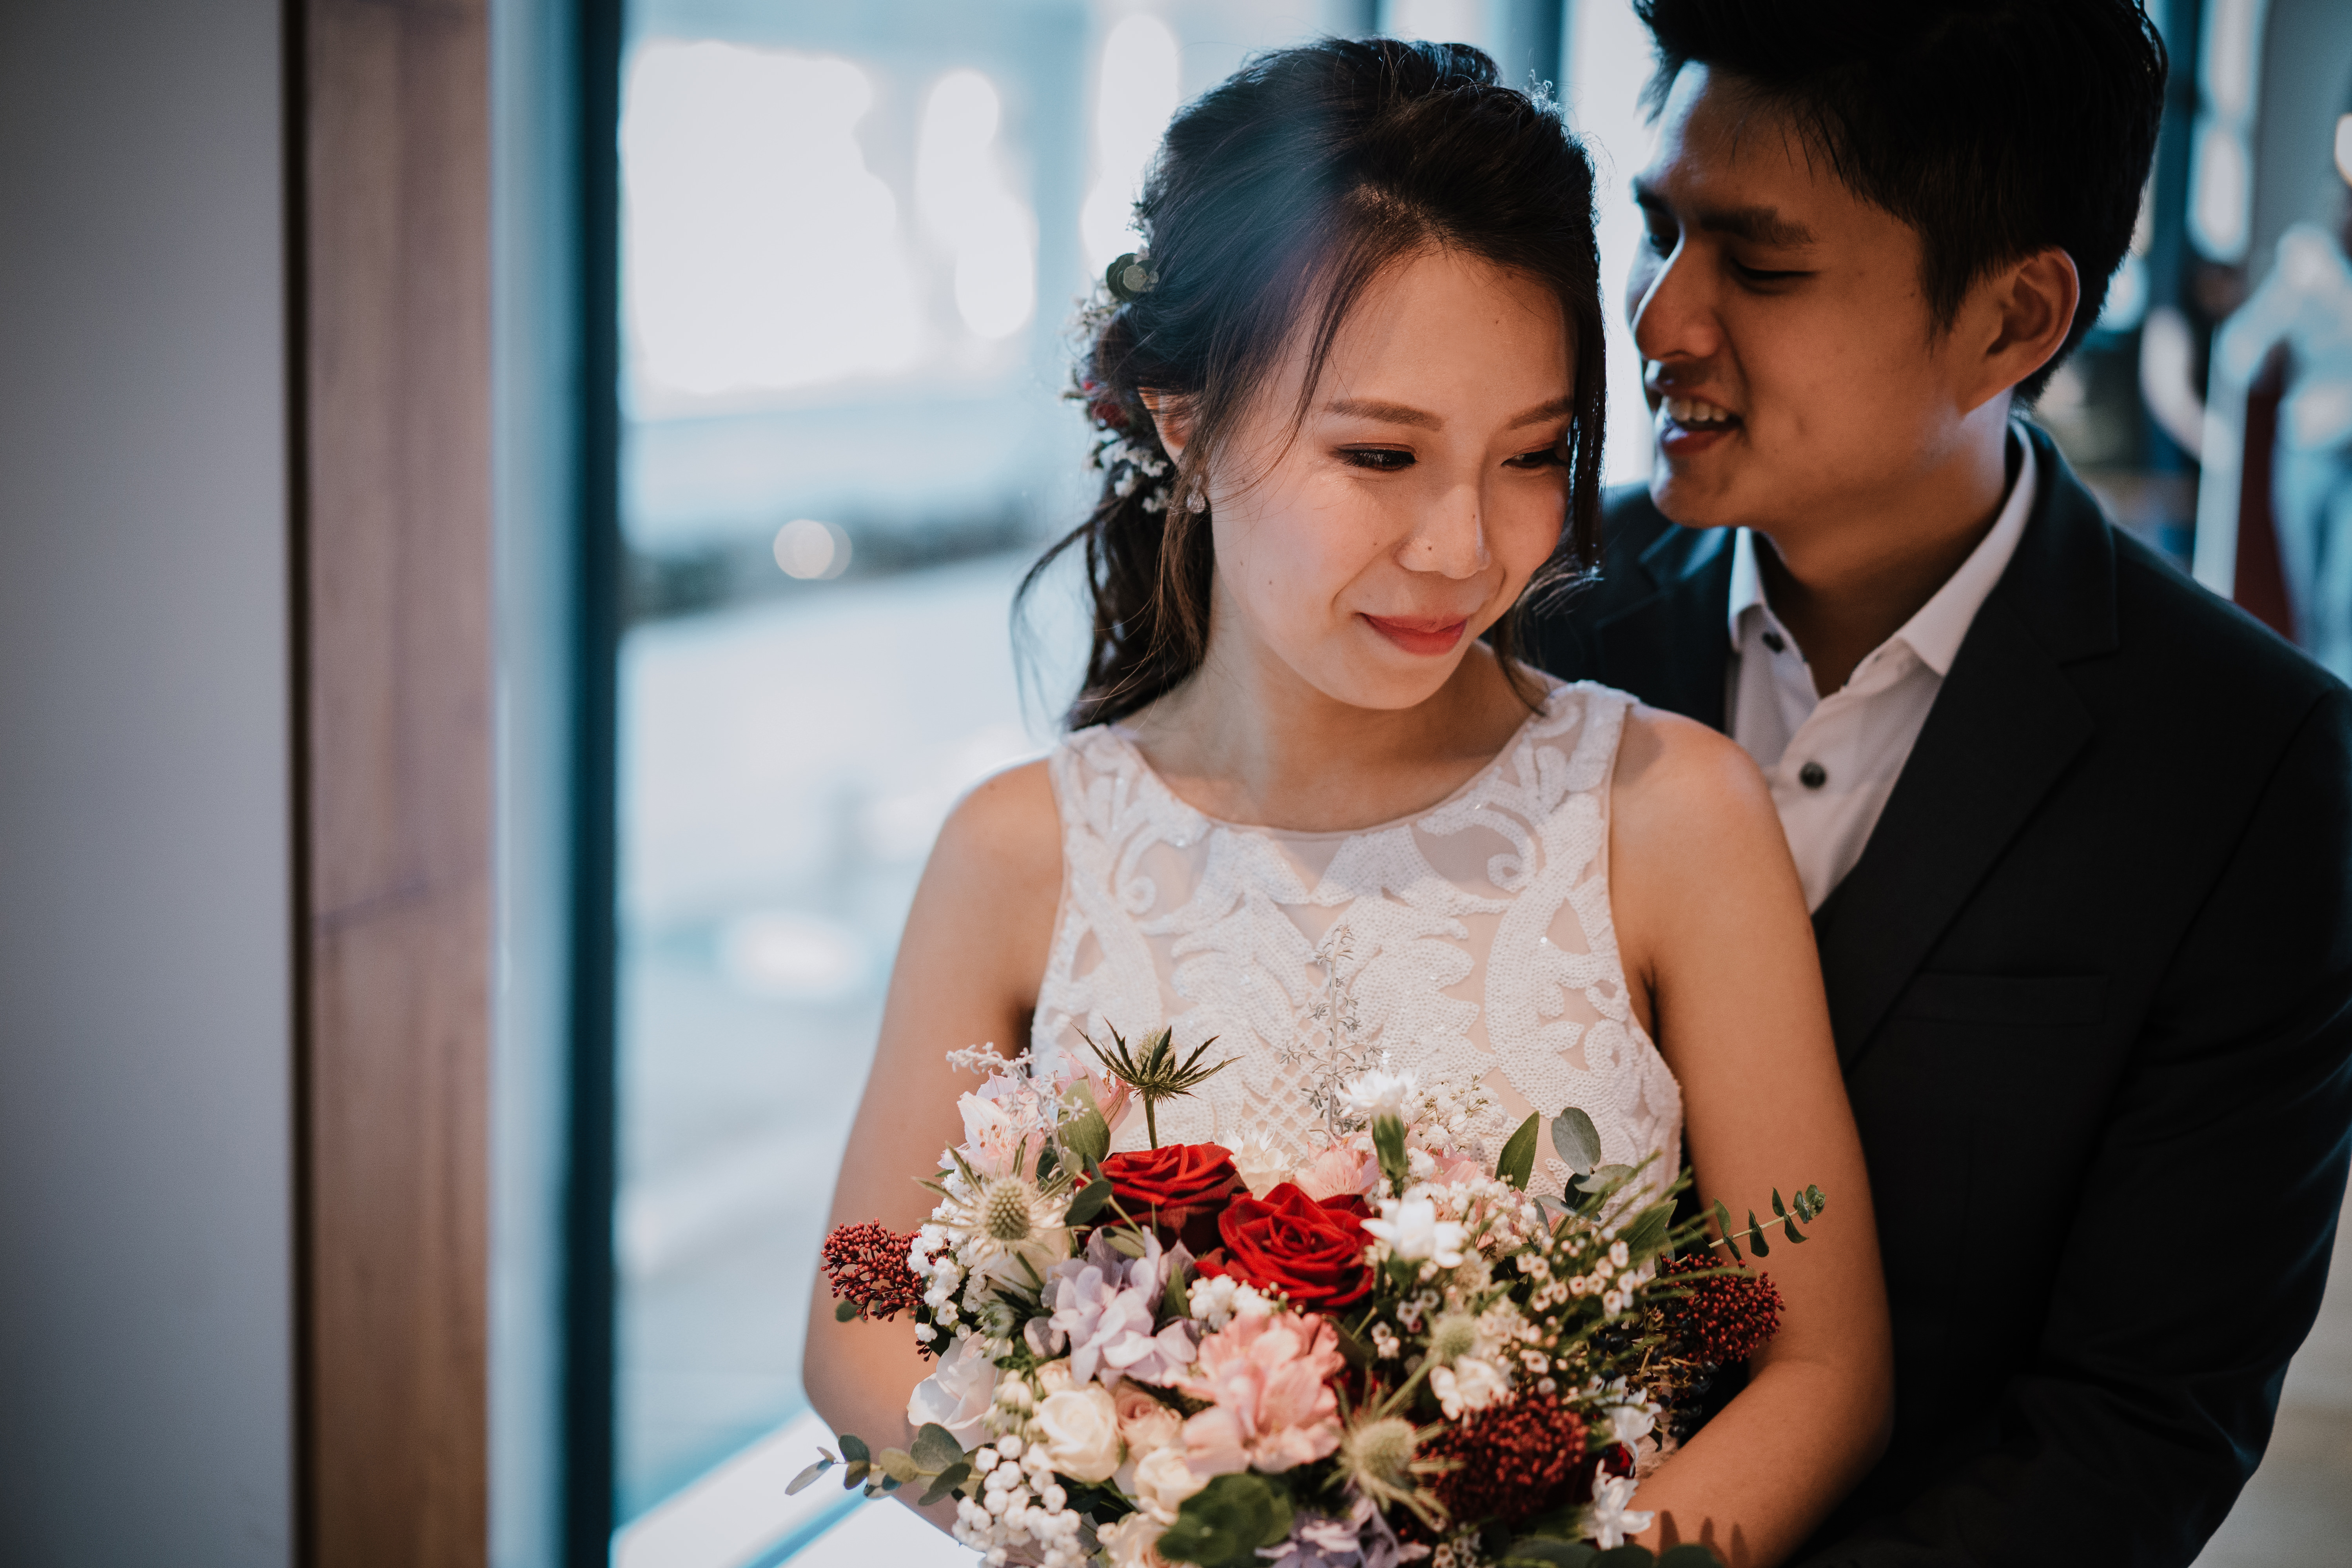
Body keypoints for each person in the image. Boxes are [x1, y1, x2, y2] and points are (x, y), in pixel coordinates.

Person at [808, 38, 1891, 1565]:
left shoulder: (1671, 815)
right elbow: (861, 1320)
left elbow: (1819, 1364)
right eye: (1382, 454)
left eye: (1532, 456)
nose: (1465, 547)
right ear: (1184, 423)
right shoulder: (1019, 850)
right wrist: (1131, 1533)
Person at [1520, 4, 2352, 1564]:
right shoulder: (1525, 619)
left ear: (2013, 320)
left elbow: (2139, 1425)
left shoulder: (2249, 766)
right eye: (1660, 229)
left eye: (1761, 265)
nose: (1661, 317)